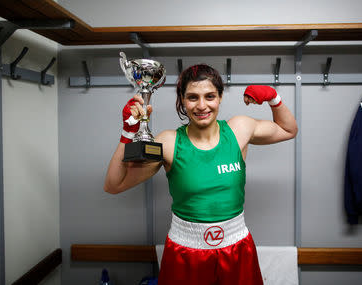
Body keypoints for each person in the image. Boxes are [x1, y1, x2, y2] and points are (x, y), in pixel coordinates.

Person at [104, 64, 298, 285]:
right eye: (193, 97)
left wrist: (274, 98)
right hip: (185, 252)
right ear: (182, 100)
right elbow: (113, 184)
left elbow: (289, 129)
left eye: (210, 96)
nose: (202, 105)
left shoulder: (239, 129)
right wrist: (127, 133)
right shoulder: (169, 142)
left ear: (221, 97)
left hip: (237, 249)